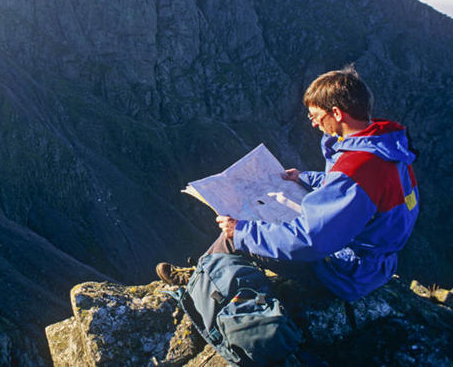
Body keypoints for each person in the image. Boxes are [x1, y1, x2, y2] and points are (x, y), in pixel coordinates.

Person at [157, 65, 419, 301]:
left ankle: (194, 283)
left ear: (337, 113)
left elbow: (310, 240)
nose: (314, 123)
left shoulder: (356, 169)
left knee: (233, 237)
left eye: (316, 115)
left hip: (345, 273)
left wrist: (242, 231)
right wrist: (304, 178)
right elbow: (362, 194)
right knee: (253, 230)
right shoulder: (388, 150)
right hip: (376, 265)